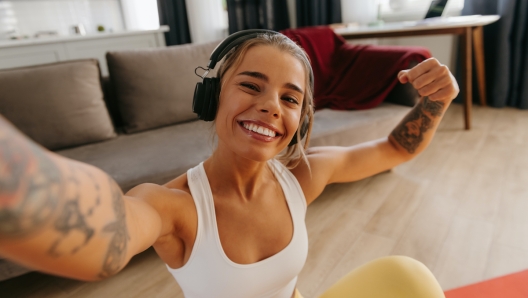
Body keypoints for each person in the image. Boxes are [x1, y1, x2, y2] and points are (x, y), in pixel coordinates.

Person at [0, 31, 458, 298]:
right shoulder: (172, 206)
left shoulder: (302, 177)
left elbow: (397, 149)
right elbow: (100, 232)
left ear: (300, 118)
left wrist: (437, 101)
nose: (271, 106)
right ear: (212, 96)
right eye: (251, 85)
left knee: (408, 277)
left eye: (289, 97)